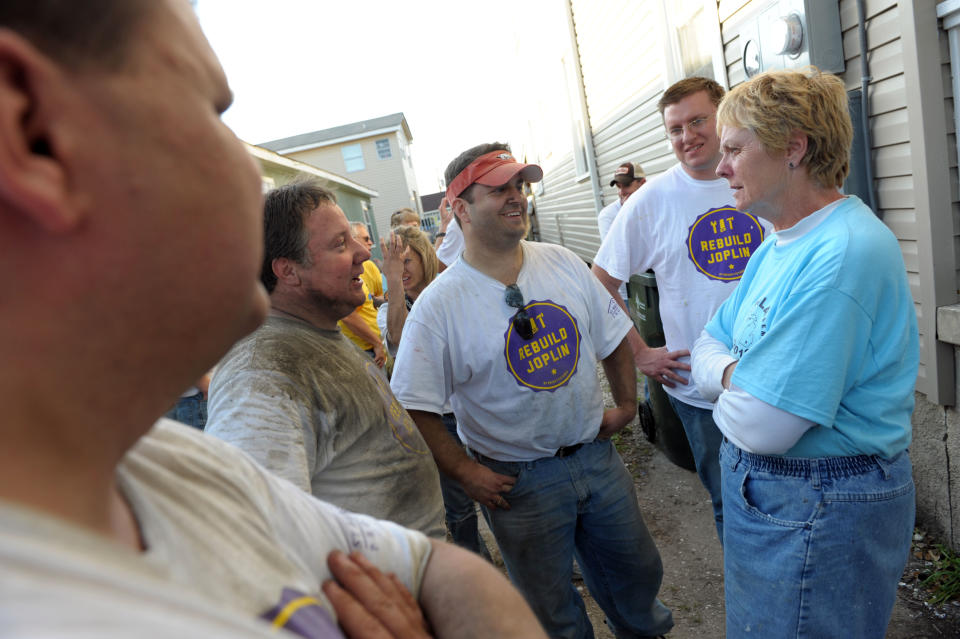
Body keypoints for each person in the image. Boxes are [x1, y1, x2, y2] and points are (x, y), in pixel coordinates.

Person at [0, 3, 557, 635]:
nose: (248, 175)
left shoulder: (172, 467)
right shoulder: (262, 373)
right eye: (209, 111)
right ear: (30, 127)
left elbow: (441, 572)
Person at [391, 142, 673, 639]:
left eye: (520, 185)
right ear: (459, 207)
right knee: (550, 609)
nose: (516, 196)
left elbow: (611, 337)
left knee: (636, 576)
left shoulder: (562, 263)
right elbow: (414, 405)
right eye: (498, 189)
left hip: (595, 459)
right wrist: (465, 472)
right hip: (517, 483)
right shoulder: (438, 307)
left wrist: (627, 405)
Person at [691, 67, 918, 639]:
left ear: (794, 148)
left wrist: (727, 381)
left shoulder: (842, 253)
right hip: (786, 497)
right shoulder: (778, 245)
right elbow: (705, 343)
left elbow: (763, 426)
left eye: (735, 149)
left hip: (818, 502)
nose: (720, 169)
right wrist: (740, 376)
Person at [206, 181, 445, 539]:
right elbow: (258, 534)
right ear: (287, 271)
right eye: (339, 244)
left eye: (353, 239)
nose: (363, 256)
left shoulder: (312, 334)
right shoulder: (262, 375)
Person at [592, 77, 770, 541]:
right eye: (675, 129)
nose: (686, 136)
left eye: (697, 121)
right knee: (729, 504)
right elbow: (600, 283)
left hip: (775, 378)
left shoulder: (764, 176)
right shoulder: (651, 201)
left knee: (781, 500)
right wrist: (640, 353)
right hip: (702, 390)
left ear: (724, 116)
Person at [378, 226, 492, 560]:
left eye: (407, 261)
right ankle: (477, 565)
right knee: (458, 502)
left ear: (424, 256)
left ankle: (527, 552)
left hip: (474, 408)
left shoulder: (450, 292)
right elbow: (397, 338)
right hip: (435, 420)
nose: (403, 269)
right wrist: (394, 283)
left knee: (498, 487)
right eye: (396, 265)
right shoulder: (392, 307)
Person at [338, 221, 387, 368]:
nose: (371, 243)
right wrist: (376, 343)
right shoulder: (342, 271)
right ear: (352, 239)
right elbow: (347, 314)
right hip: (365, 350)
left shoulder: (369, 266)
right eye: (366, 239)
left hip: (379, 344)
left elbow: (375, 302)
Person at [596, 161, 646, 301]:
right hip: (627, 294)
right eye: (618, 187)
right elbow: (618, 257)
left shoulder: (654, 207)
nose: (621, 192)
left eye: (627, 185)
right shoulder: (608, 216)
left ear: (642, 183)